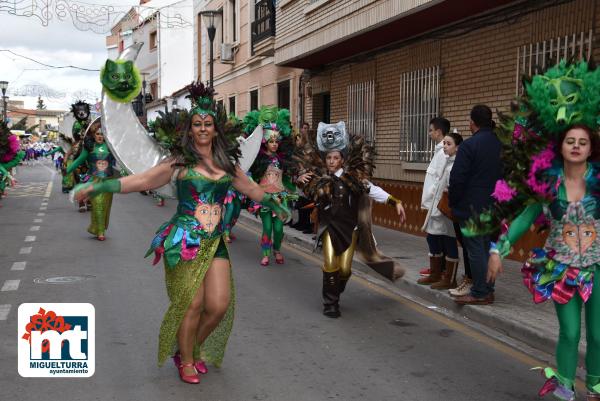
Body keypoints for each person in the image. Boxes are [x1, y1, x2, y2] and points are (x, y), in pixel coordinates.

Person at [74, 81, 289, 384]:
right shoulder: (178, 162)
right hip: (183, 240)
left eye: (208, 124)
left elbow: (252, 189)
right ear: (189, 130)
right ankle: (186, 358)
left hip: (214, 242)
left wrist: (275, 204)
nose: (202, 129)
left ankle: (191, 346)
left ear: (216, 129)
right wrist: (98, 185)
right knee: (192, 303)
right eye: (197, 124)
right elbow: (140, 181)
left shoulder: (228, 164)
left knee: (218, 305)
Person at [470, 60, 600, 401]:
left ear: (590, 148)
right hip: (562, 268)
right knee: (571, 332)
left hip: (598, 267)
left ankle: (597, 385)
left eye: (582, 142)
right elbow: (525, 220)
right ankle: (566, 386)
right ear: (560, 146)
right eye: (570, 140)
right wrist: (499, 249)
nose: (575, 146)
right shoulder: (548, 184)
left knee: (599, 335)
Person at [296, 121, 406, 318]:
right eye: (328, 157)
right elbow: (305, 192)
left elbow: (373, 191)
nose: (331, 161)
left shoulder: (354, 178)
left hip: (351, 228)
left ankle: (335, 290)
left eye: (335, 157)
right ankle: (331, 304)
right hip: (329, 227)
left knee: (345, 269)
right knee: (330, 264)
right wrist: (299, 180)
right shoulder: (316, 178)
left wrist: (395, 201)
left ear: (342, 159)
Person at [449, 105, 502, 305]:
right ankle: (489, 288)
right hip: (494, 205)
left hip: (471, 207)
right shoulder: (500, 145)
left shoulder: (470, 146)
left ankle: (480, 291)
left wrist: (454, 203)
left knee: (475, 249)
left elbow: (457, 179)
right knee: (488, 247)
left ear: (473, 122)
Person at [244, 106, 297, 266]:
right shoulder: (258, 159)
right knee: (267, 228)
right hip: (265, 198)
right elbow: (248, 172)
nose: (274, 144)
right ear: (265, 142)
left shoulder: (283, 160)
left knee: (279, 229)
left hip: (280, 198)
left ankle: (277, 249)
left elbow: (288, 177)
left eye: (276, 141)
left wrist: (297, 179)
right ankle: (266, 253)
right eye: (271, 141)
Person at [421, 129, 463, 290]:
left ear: (457, 147)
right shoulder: (447, 161)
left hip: (446, 210)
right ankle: (435, 273)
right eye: (444, 143)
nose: (445, 146)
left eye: (449, 143)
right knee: (433, 238)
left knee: (449, 241)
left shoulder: (456, 165)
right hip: (437, 207)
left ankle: (450, 278)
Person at [67, 121, 116, 240]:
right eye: (98, 134)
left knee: (105, 207)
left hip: (109, 182)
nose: (100, 136)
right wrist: (67, 170)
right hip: (94, 181)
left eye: (102, 134)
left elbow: (121, 161)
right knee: (98, 204)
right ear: (93, 135)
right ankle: (100, 232)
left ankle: (98, 228)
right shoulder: (89, 148)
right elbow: (79, 160)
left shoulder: (111, 147)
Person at [418, 117, 451, 285]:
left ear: (438, 131)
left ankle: (442, 272)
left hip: (438, 204)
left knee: (438, 238)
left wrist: (432, 197)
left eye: (431, 130)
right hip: (433, 203)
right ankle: (437, 271)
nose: (429, 134)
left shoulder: (444, 152)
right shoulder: (440, 150)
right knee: (435, 237)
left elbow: (441, 179)